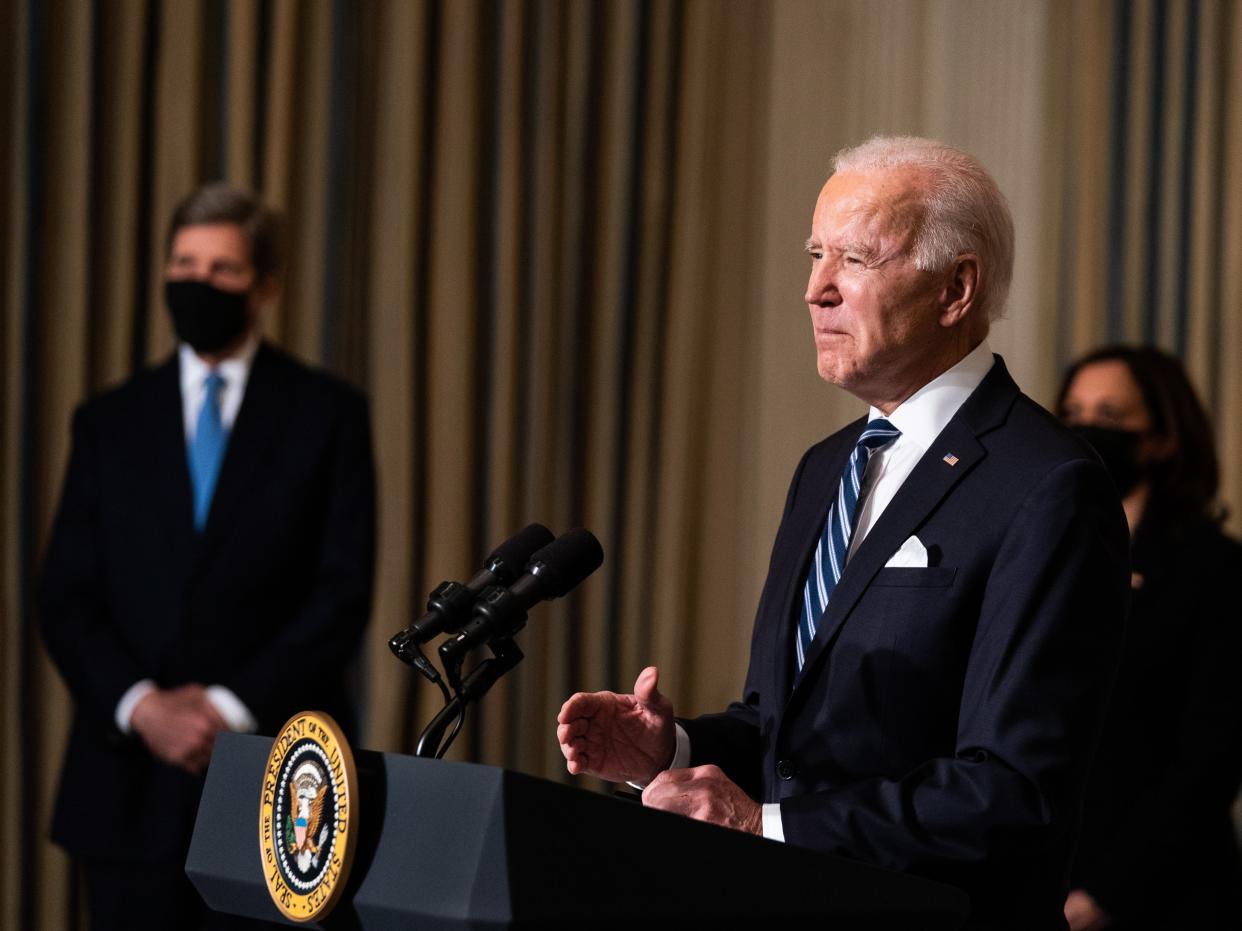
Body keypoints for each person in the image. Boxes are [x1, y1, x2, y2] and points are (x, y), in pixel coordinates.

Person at [557, 137, 1130, 929]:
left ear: (956, 288)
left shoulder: (1048, 483)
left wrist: (768, 827)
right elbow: (780, 734)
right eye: (815, 254)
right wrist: (675, 750)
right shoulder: (824, 467)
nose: (814, 290)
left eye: (853, 259)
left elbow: (1012, 790)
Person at [39, 183, 376, 930]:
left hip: (280, 783)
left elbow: (341, 592)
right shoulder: (108, 421)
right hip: (128, 785)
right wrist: (144, 706)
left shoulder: (328, 415)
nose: (199, 283)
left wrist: (223, 709)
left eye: (223, 269)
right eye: (184, 263)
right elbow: (66, 594)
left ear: (264, 286)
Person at [1058, 346, 1242, 931]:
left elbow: (1210, 760)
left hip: (1163, 896)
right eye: (1073, 414)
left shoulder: (1216, 570)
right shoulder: (1044, 556)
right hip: (1041, 882)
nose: (1087, 431)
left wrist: (1104, 895)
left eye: (1110, 417)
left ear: (1161, 439)